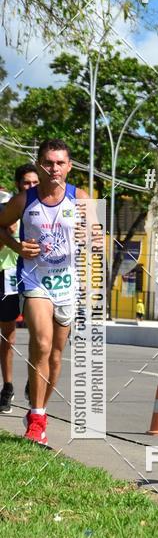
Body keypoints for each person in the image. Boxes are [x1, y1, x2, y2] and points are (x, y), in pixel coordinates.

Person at [0, 140, 89, 446]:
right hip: (35, 280)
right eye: (48, 163)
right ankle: (36, 418)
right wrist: (16, 245)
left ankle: (40, 408)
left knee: (54, 355)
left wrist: (89, 234)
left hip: (68, 284)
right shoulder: (25, 200)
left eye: (60, 163)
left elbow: (99, 237)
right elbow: (0, 225)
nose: (54, 169)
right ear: (39, 164)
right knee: (41, 341)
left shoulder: (80, 198)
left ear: (69, 166)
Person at [0, 164, 40, 413]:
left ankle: (33, 383)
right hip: (8, 273)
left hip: (37, 277)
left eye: (35, 182)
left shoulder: (48, 208)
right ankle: (8, 386)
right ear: (18, 185)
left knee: (41, 334)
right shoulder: (8, 210)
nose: (31, 187)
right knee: (8, 335)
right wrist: (12, 241)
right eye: (26, 183)